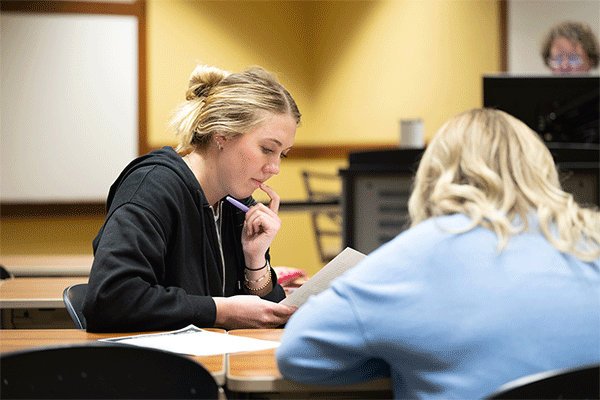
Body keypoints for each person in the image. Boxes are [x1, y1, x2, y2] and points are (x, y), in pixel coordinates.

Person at [276, 108, 600, 399]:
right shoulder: (591, 237)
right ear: (541, 169)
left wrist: (400, 360)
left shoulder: (418, 251)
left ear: (434, 175)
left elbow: (297, 355)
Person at [83, 64, 300, 332]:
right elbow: (110, 300)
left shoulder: (237, 203)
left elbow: (267, 316)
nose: (275, 167)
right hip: (157, 364)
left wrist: (256, 262)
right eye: (268, 149)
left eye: (283, 154)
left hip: (216, 359)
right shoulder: (152, 188)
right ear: (222, 134)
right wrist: (220, 311)